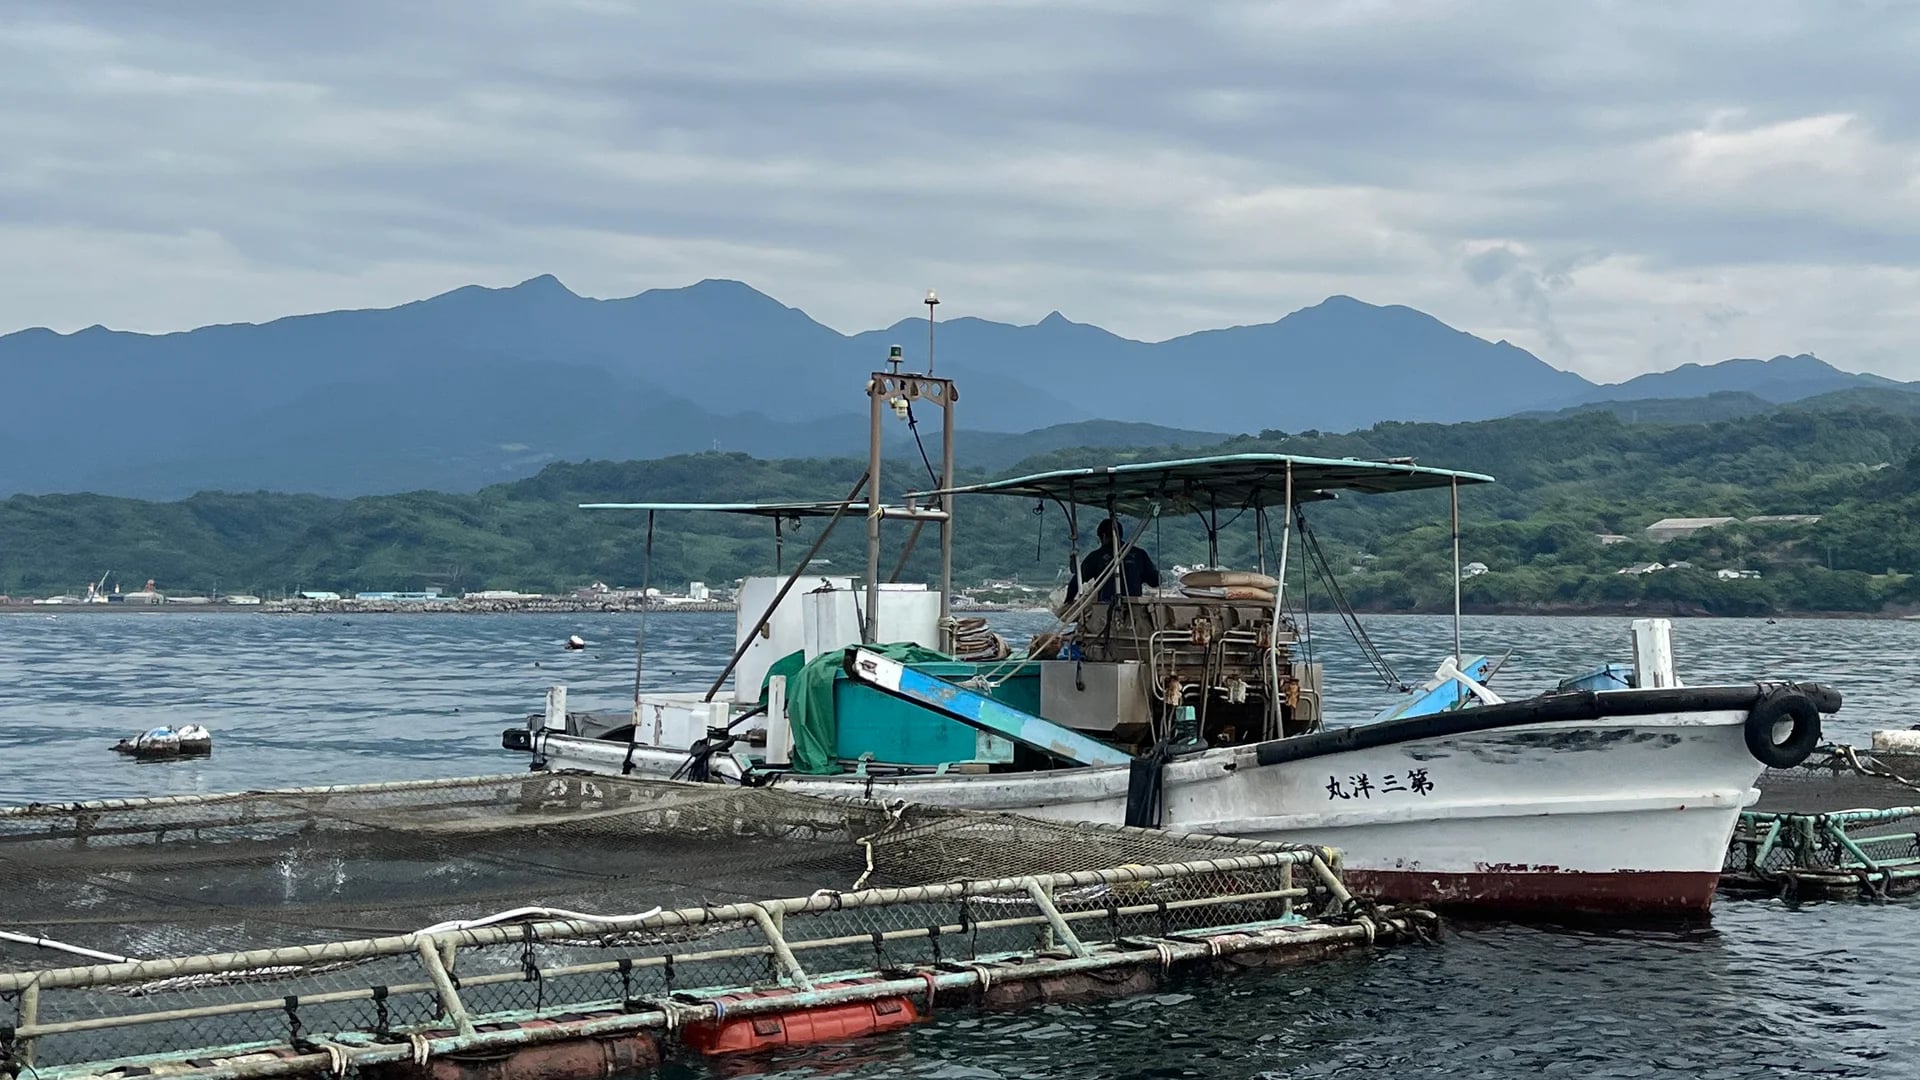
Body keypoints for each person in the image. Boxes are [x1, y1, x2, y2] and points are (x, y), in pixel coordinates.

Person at [1065, 518, 1160, 603]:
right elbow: (1155, 581)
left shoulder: (1097, 556)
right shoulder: (1139, 554)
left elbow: (1077, 580)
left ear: (1104, 535)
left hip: (1106, 608)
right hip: (1134, 608)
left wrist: (1068, 601)